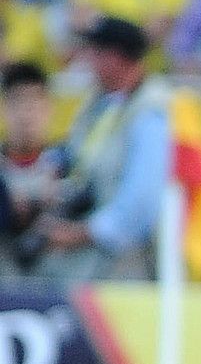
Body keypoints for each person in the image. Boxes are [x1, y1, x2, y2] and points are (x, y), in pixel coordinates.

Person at [28, 16, 171, 282]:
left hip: (126, 263)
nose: (88, 60)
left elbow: (140, 203)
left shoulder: (150, 114)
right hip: (88, 254)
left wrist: (81, 234)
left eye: (95, 52)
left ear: (116, 57)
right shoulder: (99, 103)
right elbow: (76, 153)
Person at [0, 59, 56, 276]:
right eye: (18, 102)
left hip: (57, 281)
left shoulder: (66, 167)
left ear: (49, 108)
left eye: (34, 102)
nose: (26, 114)